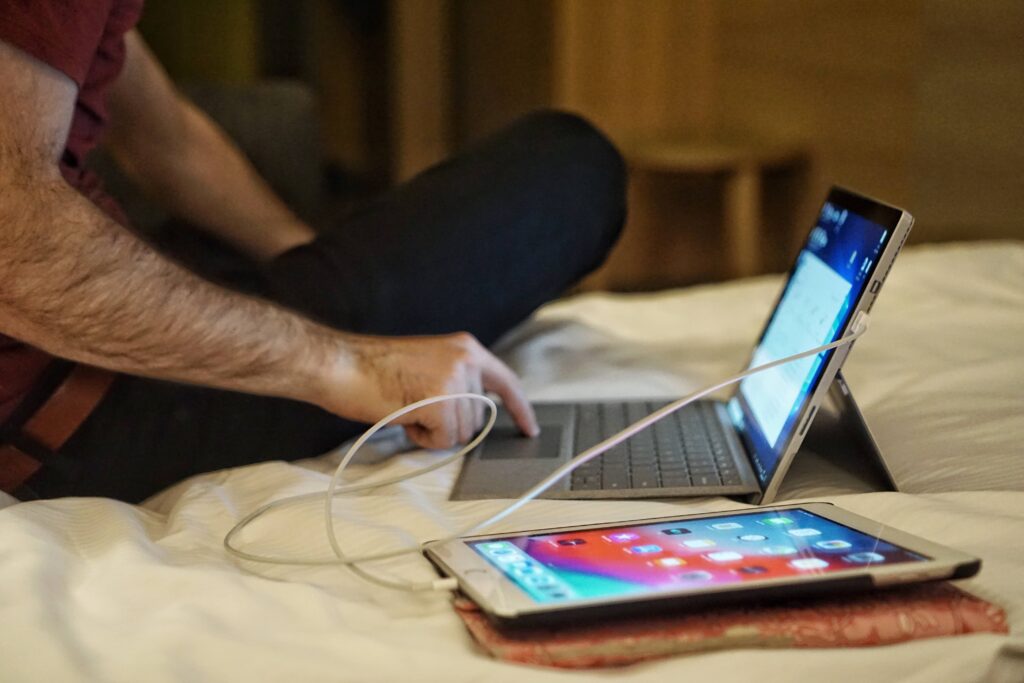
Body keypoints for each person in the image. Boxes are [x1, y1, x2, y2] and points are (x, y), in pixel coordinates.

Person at [0, 1, 625, 503]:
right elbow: (15, 252)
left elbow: (169, 142)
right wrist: (350, 363)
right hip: (77, 417)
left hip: (84, 351)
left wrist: (307, 267)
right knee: (571, 165)